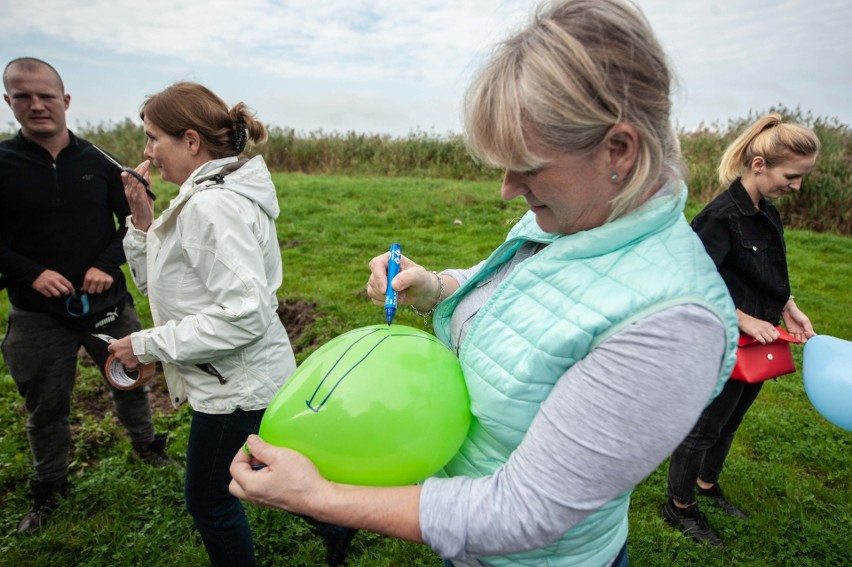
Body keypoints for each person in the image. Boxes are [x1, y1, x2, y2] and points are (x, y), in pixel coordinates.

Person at [229, 1, 740, 565]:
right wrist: (438, 287)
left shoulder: (672, 325)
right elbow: (525, 288)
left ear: (617, 150)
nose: (506, 189)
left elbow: (523, 511)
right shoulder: (585, 210)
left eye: (527, 166)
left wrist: (323, 497)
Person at [104, 81, 352, 567]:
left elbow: (246, 315)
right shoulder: (205, 198)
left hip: (238, 385)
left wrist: (148, 345)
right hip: (234, 377)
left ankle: (337, 518)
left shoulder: (213, 206)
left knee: (210, 500)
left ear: (191, 141)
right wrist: (140, 222)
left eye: (154, 137)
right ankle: (336, 520)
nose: (147, 151)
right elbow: (169, 288)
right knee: (257, 463)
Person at [0, 57, 169, 535]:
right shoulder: (3, 165)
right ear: (8, 102)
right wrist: (31, 274)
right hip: (37, 314)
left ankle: (148, 447)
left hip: (107, 306)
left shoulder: (100, 163)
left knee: (131, 382)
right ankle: (49, 487)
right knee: (45, 407)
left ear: (65, 101)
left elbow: (134, 223)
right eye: (23, 96)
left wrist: (105, 263)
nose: (36, 105)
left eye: (46, 95)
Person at [661, 114, 819, 546]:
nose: (797, 186)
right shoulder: (719, 216)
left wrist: (789, 307)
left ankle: (707, 486)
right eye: (792, 176)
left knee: (732, 420)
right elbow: (690, 281)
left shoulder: (768, 212)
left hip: (759, 341)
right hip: (721, 338)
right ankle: (679, 506)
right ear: (758, 165)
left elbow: (763, 272)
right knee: (705, 427)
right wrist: (743, 317)